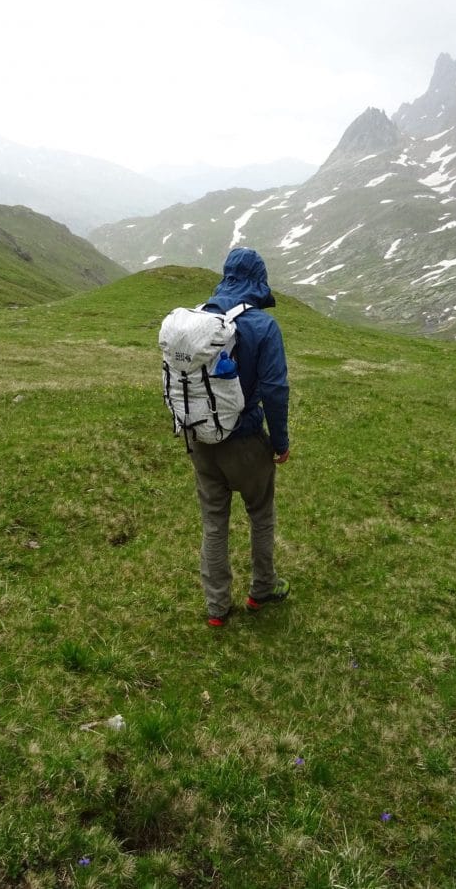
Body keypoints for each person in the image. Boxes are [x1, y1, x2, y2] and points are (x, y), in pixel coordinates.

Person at [189, 247, 290, 627]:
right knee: (260, 514)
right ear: (258, 280)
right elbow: (275, 389)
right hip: (246, 440)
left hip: (201, 439)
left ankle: (217, 608)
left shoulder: (198, 318)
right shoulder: (263, 326)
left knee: (214, 521)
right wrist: (279, 442)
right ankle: (262, 588)